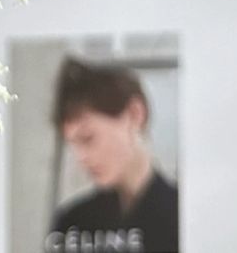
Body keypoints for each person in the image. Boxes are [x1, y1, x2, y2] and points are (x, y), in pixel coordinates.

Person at [44, 57, 180, 253]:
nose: (81, 157)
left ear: (135, 114)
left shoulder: (182, 214)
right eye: (73, 144)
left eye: (88, 138)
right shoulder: (72, 223)